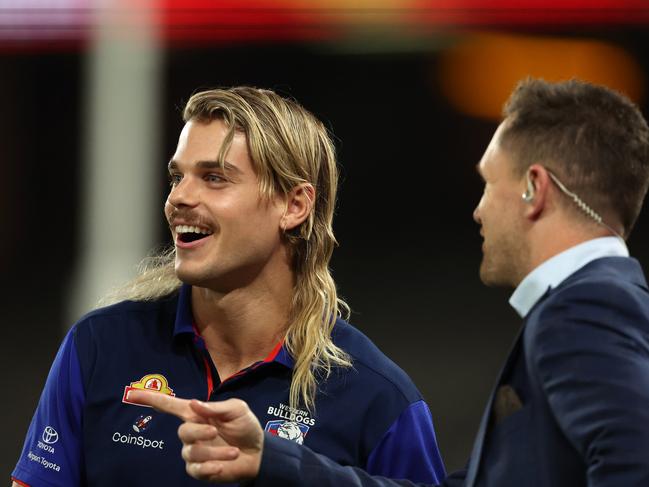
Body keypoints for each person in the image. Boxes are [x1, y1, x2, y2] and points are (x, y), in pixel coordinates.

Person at [131, 77, 649, 487]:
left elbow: (635, 458)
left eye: (490, 184)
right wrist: (274, 461)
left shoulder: (586, 306)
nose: (478, 210)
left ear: (534, 190)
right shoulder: (598, 301)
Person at [11, 87, 446, 486]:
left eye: (214, 177)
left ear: (294, 205)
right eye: (177, 176)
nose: (180, 197)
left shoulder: (379, 398)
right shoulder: (98, 347)